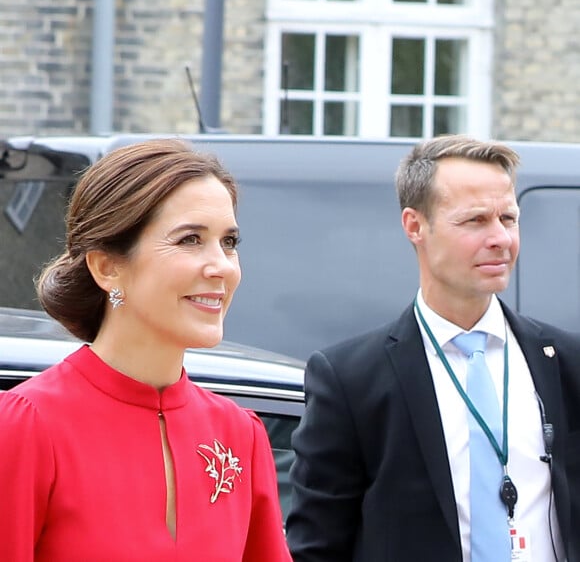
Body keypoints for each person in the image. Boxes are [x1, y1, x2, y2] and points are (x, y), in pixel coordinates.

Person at [286, 134, 580, 561]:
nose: (501, 238)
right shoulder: (351, 379)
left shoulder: (564, 361)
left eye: (509, 218)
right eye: (475, 221)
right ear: (414, 226)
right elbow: (317, 544)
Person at [0, 138, 292, 561]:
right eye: (190, 240)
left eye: (229, 242)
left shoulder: (238, 434)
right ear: (107, 267)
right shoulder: (28, 426)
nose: (222, 267)